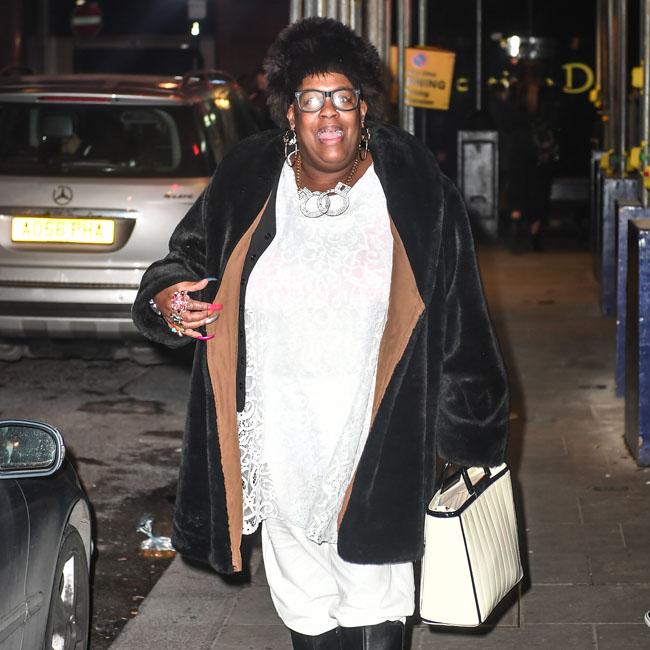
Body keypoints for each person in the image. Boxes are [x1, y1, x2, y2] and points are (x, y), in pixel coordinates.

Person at [132, 17, 509, 650]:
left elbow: (462, 317)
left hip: (376, 432)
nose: (328, 113)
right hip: (278, 437)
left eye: (342, 97)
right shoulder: (248, 176)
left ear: (363, 107)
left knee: (373, 592)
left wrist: (472, 436)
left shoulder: (414, 186)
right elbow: (183, 260)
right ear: (290, 112)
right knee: (304, 598)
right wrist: (168, 298)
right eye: (311, 99)